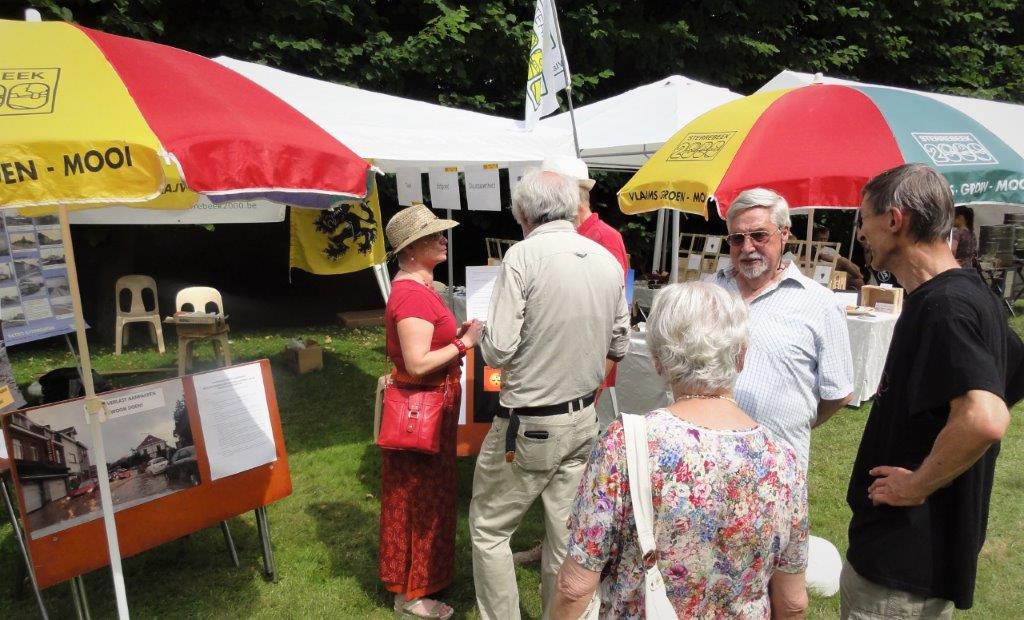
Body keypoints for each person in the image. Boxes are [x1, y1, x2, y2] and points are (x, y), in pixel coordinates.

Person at [550, 282, 809, 619]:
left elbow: (575, 588)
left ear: (658, 361)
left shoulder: (626, 444)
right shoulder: (783, 460)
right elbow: (792, 601)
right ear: (742, 356)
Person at [844, 163, 1022, 618]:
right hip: (918, 550)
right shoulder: (969, 295)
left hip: (903, 559)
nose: (861, 231)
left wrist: (916, 484)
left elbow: (986, 417)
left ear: (894, 220)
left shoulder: (946, 307)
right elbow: (1013, 375)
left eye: (864, 218)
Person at [470, 169, 630, 619]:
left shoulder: (523, 257)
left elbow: (498, 349)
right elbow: (620, 345)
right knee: (566, 536)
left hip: (531, 422)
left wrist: (481, 335)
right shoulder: (604, 260)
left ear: (523, 212)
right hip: (583, 419)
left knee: (489, 529)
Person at [380, 204, 484, 620]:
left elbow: (424, 348)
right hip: (420, 415)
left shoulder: (420, 290)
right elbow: (418, 361)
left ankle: (418, 581)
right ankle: (411, 595)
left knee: (426, 498)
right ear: (410, 249)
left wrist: (455, 334)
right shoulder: (410, 294)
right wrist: (465, 344)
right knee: (418, 501)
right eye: (434, 236)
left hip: (429, 412)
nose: (443, 240)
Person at [712, 187, 854, 470]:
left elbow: (838, 393)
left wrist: (791, 421)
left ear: (784, 234)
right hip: (708, 461)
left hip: (776, 469)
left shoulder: (820, 303)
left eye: (759, 235)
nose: (748, 247)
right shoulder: (709, 291)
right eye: (737, 238)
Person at [950, 205, 978, 269]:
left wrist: (951, 261)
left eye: (953, 217)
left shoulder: (957, 233)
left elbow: (953, 250)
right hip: (969, 268)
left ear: (960, 217)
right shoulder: (972, 234)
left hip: (958, 268)